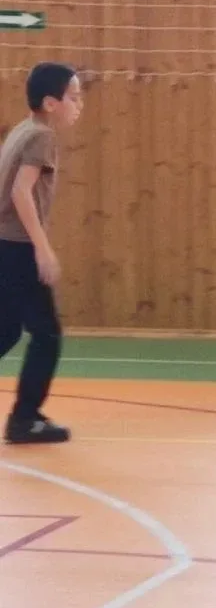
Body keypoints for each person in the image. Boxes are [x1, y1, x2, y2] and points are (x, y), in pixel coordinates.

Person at [0, 62, 83, 444]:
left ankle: (25, 418)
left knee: (6, 330)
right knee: (47, 334)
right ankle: (25, 420)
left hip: (5, 245)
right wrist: (42, 248)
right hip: (17, 247)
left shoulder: (22, 129)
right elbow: (21, 192)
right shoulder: (42, 137)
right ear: (51, 103)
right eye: (74, 97)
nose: (79, 105)